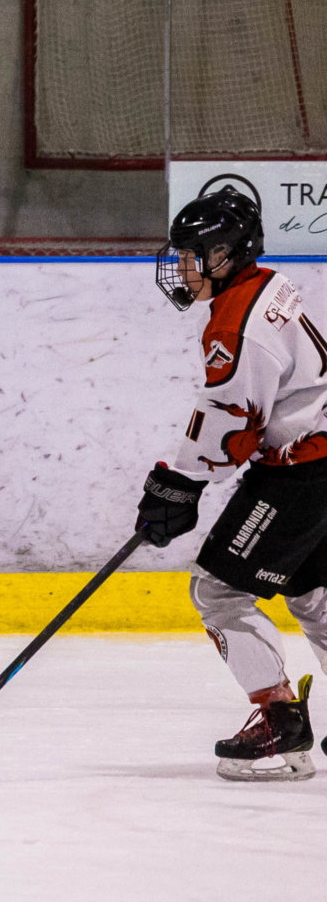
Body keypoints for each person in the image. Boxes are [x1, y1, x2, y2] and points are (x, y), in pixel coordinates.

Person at [134, 186, 326, 781]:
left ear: (227, 254)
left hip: (303, 470)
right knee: (314, 593)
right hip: (316, 456)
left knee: (218, 591)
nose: (182, 266)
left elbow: (232, 426)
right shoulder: (268, 286)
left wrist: (179, 484)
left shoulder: (237, 324)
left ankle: (281, 725)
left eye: (194, 255)